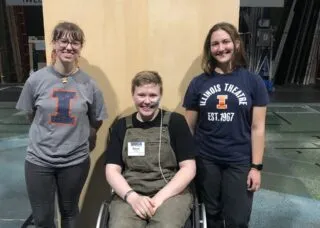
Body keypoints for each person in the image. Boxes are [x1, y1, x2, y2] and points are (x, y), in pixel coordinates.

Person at [16, 22, 107, 228]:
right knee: (42, 218)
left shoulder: (90, 85)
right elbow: (30, 114)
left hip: (74, 161)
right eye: (63, 41)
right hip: (39, 160)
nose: (69, 47)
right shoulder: (35, 80)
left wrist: (81, 139)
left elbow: (97, 119)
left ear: (80, 47)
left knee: (70, 213)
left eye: (75, 42)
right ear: (54, 44)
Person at [183, 22, 269, 228]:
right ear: (209, 49)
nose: (221, 48)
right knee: (209, 215)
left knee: (237, 219)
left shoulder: (253, 81)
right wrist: (187, 163)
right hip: (206, 159)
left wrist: (256, 167)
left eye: (225, 42)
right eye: (215, 44)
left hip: (239, 160)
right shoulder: (198, 83)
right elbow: (188, 127)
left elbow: (258, 128)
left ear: (237, 44)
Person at [104, 71, 196, 228]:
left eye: (153, 95)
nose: (147, 101)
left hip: (171, 193)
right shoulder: (121, 127)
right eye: (141, 95)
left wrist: (160, 198)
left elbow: (189, 168)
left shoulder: (176, 122)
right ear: (133, 95)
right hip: (130, 193)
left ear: (160, 95)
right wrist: (132, 197)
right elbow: (111, 170)